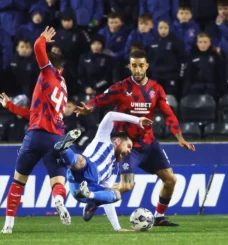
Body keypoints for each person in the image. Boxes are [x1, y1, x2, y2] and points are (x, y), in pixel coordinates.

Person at [75, 49, 195, 226]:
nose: (137, 70)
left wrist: (179, 137)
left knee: (171, 180)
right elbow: (101, 99)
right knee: (126, 186)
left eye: (141, 66)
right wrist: (89, 107)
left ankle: (159, 217)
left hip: (149, 144)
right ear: (129, 66)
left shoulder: (156, 89)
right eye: (134, 66)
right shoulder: (121, 88)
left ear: (146, 66)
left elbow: (168, 114)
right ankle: (95, 199)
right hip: (128, 147)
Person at [0, 27, 70, 234]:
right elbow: (33, 112)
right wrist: (11, 106)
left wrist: (43, 38)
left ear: (50, 65)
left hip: (35, 135)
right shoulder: (63, 86)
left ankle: (8, 225)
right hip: (56, 138)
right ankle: (58, 199)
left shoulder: (47, 73)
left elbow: (38, 47)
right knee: (58, 180)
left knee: (18, 181)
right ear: (62, 70)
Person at [54, 111, 152, 231]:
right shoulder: (103, 138)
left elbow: (106, 196)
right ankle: (64, 149)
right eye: (128, 146)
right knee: (81, 160)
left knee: (116, 194)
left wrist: (117, 227)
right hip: (84, 171)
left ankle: (88, 194)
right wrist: (137, 120)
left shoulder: (115, 169)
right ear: (118, 141)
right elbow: (110, 115)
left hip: (84, 191)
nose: (129, 151)